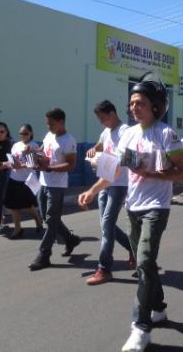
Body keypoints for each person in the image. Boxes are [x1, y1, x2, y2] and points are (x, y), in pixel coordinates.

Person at [79, 73, 183, 352]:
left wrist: (150, 172)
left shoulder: (166, 134)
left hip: (156, 208)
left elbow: (181, 173)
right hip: (133, 207)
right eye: (131, 103)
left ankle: (140, 327)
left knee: (145, 259)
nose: (134, 107)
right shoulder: (127, 133)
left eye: (139, 103)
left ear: (155, 106)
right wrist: (92, 190)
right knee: (145, 265)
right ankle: (159, 308)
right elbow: (114, 169)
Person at [80, 100, 135, 285]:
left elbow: (122, 161)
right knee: (106, 225)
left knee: (106, 226)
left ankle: (104, 269)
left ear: (112, 113)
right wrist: (93, 150)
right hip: (104, 182)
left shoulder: (125, 131)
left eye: (103, 118)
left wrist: (99, 162)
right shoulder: (107, 131)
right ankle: (133, 249)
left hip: (119, 184)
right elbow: (101, 143)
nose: (102, 123)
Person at [28, 108, 81, 270]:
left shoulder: (69, 140)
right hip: (43, 182)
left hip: (57, 186)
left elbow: (71, 165)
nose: (48, 126)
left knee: (51, 220)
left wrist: (50, 168)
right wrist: (34, 153)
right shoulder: (49, 135)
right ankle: (70, 238)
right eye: (47, 123)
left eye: (51, 124)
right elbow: (42, 150)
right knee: (47, 217)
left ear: (61, 122)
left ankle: (44, 254)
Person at [3, 124, 43, 238]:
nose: (23, 135)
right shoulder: (16, 145)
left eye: (26, 133)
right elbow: (12, 159)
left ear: (31, 133)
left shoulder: (34, 146)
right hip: (14, 178)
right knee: (13, 206)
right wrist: (11, 163)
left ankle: (38, 220)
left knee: (27, 206)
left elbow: (34, 164)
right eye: (21, 133)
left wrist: (24, 159)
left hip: (26, 180)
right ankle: (18, 229)